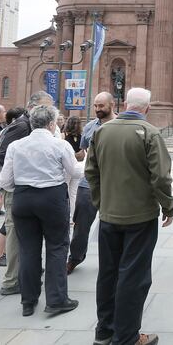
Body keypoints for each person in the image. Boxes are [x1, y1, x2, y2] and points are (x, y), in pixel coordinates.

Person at [86, 87, 173, 345]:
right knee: (134, 277)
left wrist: (103, 202)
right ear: (147, 108)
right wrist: (168, 206)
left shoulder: (101, 131)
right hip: (140, 218)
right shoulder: (150, 133)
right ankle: (127, 337)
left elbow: (90, 172)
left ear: (124, 104)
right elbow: (160, 177)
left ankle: (104, 332)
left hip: (109, 217)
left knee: (108, 273)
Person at [0, 104, 82, 317]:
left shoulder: (16, 146)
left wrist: (26, 184)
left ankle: (28, 301)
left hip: (23, 199)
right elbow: (74, 172)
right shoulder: (60, 145)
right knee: (56, 247)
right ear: (52, 123)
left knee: (28, 249)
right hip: (52, 198)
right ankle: (56, 300)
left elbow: (6, 181)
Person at [0, 91, 55, 297]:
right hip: (18, 189)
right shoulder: (23, 126)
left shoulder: (29, 125)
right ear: (33, 106)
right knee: (14, 233)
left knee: (26, 233)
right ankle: (11, 280)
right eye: (47, 107)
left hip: (26, 190)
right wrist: (20, 179)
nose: (50, 111)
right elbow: (4, 155)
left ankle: (27, 272)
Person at [68, 92, 117, 275]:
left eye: (101, 106)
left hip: (113, 184)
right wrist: (68, 156)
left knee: (112, 226)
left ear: (112, 104)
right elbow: (82, 152)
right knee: (81, 224)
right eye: (95, 106)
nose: (97, 109)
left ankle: (111, 262)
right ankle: (74, 258)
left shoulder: (120, 126)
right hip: (88, 183)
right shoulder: (89, 127)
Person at [0, 106, 27, 268]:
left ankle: (1, 255)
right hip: (12, 183)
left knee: (10, 221)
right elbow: (4, 156)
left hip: (8, 182)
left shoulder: (8, 129)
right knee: (10, 222)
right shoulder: (19, 129)